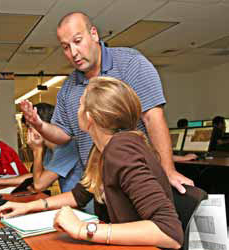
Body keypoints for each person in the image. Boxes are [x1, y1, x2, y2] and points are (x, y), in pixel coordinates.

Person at [0, 77, 183, 250]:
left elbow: (169, 232)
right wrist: (28, 207)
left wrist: (83, 229)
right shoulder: (102, 149)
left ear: (89, 117)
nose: (76, 111)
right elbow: (80, 195)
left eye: (79, 106)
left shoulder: (121, 149)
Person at [20, 11, 193, 194]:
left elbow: (153, 118)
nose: (73, 53)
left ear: (93, 34)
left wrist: (168, 170)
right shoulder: (68, 87)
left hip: (137, 178)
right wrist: (38, 124)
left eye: (77, 41)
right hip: (99, 186)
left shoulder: (130, 63)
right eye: (65, 47)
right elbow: (63, 134)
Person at [0, 103, 82, 194]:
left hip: (84, 210)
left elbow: (39, 185)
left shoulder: (68, 147)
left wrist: (37, 150)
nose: (28, 132)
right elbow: (35, 176)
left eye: (30, 127)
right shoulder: (51, 149)